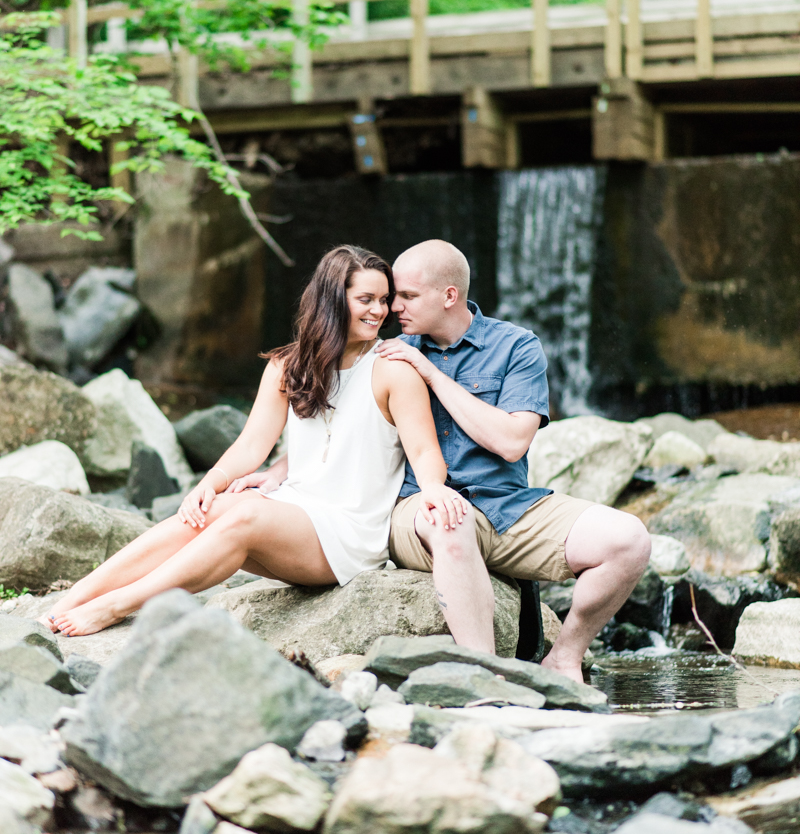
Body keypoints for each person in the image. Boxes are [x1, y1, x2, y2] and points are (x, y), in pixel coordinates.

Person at [41, 245, 467, 638]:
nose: (380, 311)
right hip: (296, 508)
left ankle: (116, 606)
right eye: (366, 299)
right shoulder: (288, 365)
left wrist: (433, 489)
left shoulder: (393, 369)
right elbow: (251, 445)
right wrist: (209, 483)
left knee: (246, 515)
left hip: (348, 532)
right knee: (212, 509)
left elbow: (425, 450)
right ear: (334, 300)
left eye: (383, 299)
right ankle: (73, 599)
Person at [373, 239, 651, 684]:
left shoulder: (516, 347)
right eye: (393, 296)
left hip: (508, 506)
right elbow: (338, 428)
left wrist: (431, 374)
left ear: (449, 295)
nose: (393, 308)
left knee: (629, 539)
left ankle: (563, 658)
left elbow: (510, 442)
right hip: (419, 509)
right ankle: (486, 677)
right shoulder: (388, 353)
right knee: (451, 520)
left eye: (407, 296)